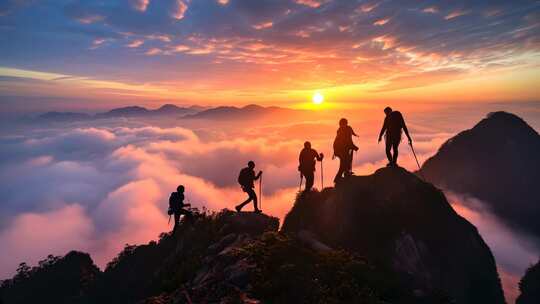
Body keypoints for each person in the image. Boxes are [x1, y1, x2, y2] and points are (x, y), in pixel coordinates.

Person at [333, 118, 358, 183]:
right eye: (341, 124)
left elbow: (350, 137)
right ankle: (338, 178)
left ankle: (346, 173)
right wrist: (354, 147)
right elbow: (347, 140)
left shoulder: (347, 129)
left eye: (342, 124)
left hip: (345, 149)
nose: (341, 125)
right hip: (340, 150)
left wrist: (354, 135)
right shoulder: (340, 131)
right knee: (344, 163)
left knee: (347, 161)